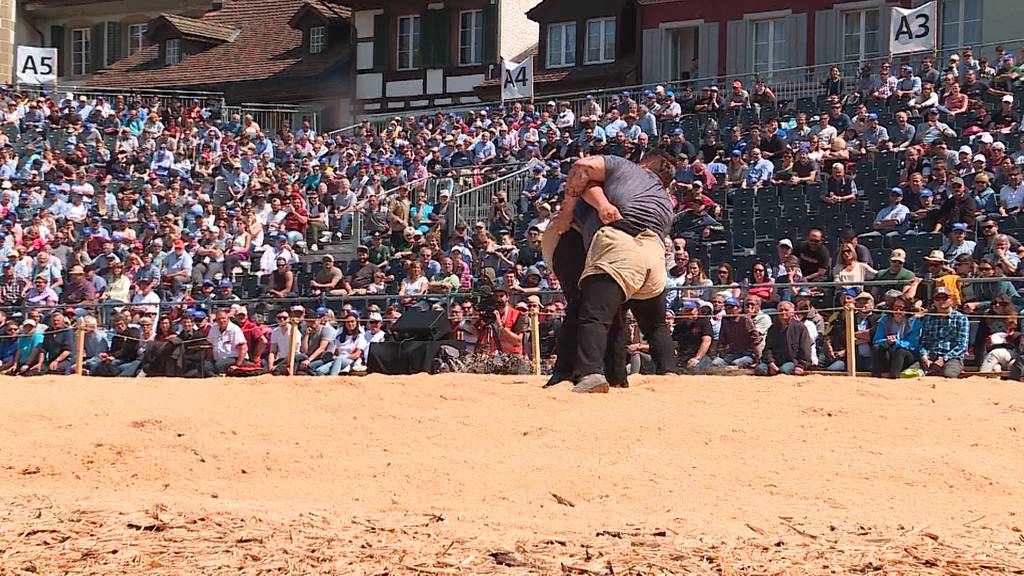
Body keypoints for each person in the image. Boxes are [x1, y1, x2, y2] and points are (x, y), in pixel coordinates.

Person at [550, 150, 678, 393]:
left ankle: (590, 373)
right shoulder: (666, 202)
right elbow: (592, 188)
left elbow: (583, 167)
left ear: (644, 163)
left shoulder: (628, 169)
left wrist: (569, 212)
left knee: (593, 314)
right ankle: (668, 372)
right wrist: (600, 200)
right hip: (654, 256)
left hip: (621, 246)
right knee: (656, 325)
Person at [918, 287, 969, 378]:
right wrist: (924, 357)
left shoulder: (961, 318)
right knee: (909, 374)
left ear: (951, 299)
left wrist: (943, 360)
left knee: (949, 375)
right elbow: (924, 342)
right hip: (930, 357)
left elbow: (962, 346)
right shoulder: (928, 318)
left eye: (945, 298)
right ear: (934, 301)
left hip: (952, 358)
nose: (941, 301)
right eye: (938, 298)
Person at [755, 301, 813, 376]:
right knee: (760, 369)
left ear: (792, 312)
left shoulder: (800, 327)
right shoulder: (773, 328)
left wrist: (801, 366)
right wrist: (771, 363)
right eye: (781, 310)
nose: (783, 312)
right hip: (775, 361)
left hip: (791, 361)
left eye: (786, 310)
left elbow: (805, 349)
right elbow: (767, 349)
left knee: (784, 371)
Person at [871, 296, 922, 378]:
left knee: (900, 351)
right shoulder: (884, 321)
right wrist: (887, 342)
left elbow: (913, 346)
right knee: (876, 347)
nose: (898, 311)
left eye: (902, 308)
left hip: (906, 356)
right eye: (896, 308)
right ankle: (875, 376)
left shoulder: (915, 323)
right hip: (889, 353)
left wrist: (896, 342)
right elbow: (876, 340)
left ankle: (894, 377)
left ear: (907, 309)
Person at [712, 296, 759, 368]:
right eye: (727, 307)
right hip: (732, 353)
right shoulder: (725, 320)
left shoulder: (745, 319)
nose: (729, 310)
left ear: (739, 308)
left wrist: (757, 360)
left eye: (731, 307)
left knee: (736, 363)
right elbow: (722, 339)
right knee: (715, 363)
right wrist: (721, 352)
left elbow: (756, 340)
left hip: (747, 354)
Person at [672, 300, 713, 373]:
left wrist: (697, 358)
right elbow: (674, 342)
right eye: (686, 311)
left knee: (694, 368)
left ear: (696, 310)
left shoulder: (704, 322)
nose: (689, 313)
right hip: (683, 356)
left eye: (690, 310)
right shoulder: (679, 325)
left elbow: (706, 341)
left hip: (702, 356)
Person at [206, 307, 248, 374]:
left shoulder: (235, 329)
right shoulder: (213, 329)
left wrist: (237, 365)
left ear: (228, 318)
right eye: (219, 319)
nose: (221, 320)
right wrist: (209, 359)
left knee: (219, 365)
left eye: (223, 318)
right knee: (206, 366)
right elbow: (210, 346)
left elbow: (243, 348)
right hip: (218, 359)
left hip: (235, 358)